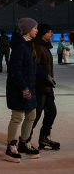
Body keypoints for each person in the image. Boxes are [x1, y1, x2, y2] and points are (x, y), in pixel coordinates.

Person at [5, 17, 49, 163]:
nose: (37, 30)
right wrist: (23, 88)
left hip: (29, 87)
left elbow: (32, 68)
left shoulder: (28, 45)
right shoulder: (19, 47)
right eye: (35, 28)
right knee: (17, 117)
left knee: (31, 116)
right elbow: (15, 71)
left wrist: (45, 76)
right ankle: (11, 145)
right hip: (18, 89)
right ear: (28, 30)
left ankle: (24, 143)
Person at [27, 24, 60, 150]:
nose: (51, 34)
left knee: (52, 112)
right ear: (42, 33)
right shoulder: (38, 47)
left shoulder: (44, 47)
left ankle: (44, 137)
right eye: (49, 32)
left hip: (47, 87)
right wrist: (45, 76)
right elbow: (32, 68)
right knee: (36, 115)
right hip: (38, 87)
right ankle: (26, 139)